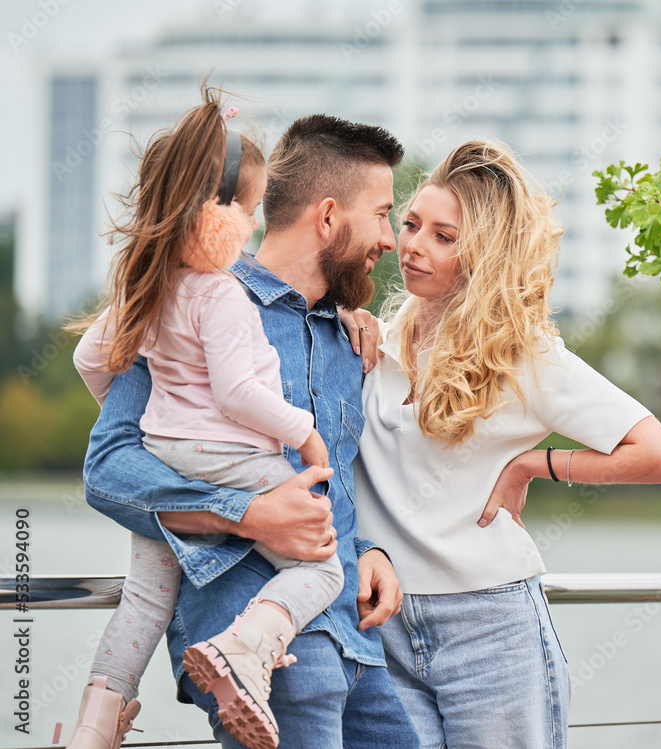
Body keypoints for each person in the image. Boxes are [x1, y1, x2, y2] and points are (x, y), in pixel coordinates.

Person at [78, 101, 419, 748]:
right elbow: (109, 470)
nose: (390, 240)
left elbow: (328, 481)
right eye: (382, 215)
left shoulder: (351, 340)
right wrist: (245, 513)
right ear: (327, 217)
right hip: (265, 659)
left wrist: (368, 546)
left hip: (357, 643)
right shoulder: (199, 300)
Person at [353, 140, 661, 749]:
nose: (414, 245)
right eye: (411, 224)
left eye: (444, 236)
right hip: (384, 625)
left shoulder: (525, 355)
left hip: (492, 631)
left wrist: (536, 464)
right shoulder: (372, 340)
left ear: (483, 253)